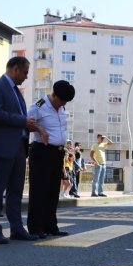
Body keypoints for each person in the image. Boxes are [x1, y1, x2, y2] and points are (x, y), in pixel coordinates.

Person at [0, 56, 46, 244]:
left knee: (16, 191)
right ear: (15, 69)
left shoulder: (16, 92)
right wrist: (22, 121)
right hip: (2, 146)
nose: (26, 77)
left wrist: (28, 126)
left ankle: (17, 229)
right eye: (25, 72)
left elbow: (17, 117)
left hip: (19, 146)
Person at [27, 80, 76, 239]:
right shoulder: (39, 105)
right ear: (53, 95)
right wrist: (40, 129)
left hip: (57, 153)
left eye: (65, 102)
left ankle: (50, 225)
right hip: (42, 151)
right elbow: (27, 123)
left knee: (53, 191)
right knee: (39, 191)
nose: (62, 104)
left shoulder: (61, 108)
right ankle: (35, 227)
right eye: (61, 100)